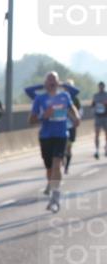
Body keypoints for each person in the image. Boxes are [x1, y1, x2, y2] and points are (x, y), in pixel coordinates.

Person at [26, 72, 80, 213]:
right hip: (45, 136)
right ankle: (51, 186)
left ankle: (55, 198)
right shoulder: (39, 99)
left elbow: (72, 107)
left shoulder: (65, 96)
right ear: (45, 83)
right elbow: (31, 120)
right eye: (49, 80)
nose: (52, 82)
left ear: (58, 82)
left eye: (54, 80)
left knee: (57, 164)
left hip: (61, 135)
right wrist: (44, 116)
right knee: (50, 168)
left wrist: (76, 117)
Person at [92, 81, 107, 160]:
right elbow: (92, 105)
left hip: (105, 117)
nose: (101, 88)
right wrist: (94, 106)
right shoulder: (95, 95)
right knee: (97, 134)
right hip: (98, 117)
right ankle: (97, 150)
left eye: (102, 86)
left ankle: (106, 148)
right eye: (99, 86)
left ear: (104, 87)